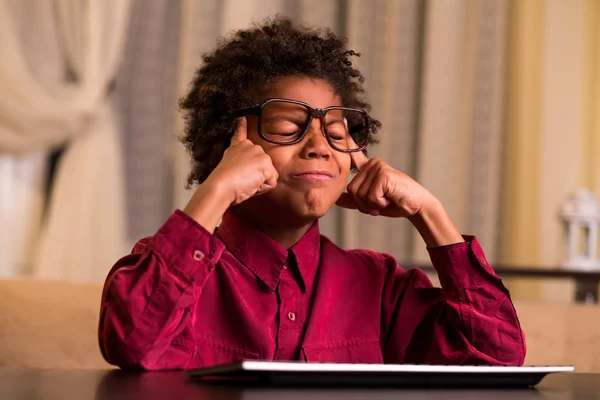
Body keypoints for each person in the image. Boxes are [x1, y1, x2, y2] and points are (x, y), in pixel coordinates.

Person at [98, 16, 526, 371]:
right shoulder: (169, 272)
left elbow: (497, 357)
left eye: (336, 132)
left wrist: (430, 212)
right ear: (229, 146)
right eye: (288, 128)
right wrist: (217, 189)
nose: (320, 146)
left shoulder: (378, 285)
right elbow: (134, 342)